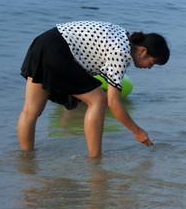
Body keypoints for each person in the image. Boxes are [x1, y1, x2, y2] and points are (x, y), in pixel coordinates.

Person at [18, 21, 170, 158]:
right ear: (143, 51)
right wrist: (137, 130)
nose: (150, 67)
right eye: (153, 62)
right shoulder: (122, 53)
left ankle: (26, 159)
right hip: (58, 51)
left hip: (43, 42)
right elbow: (113, 103)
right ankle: (95, 158)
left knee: (30, 111)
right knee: (98, 100)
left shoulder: (123, 36)